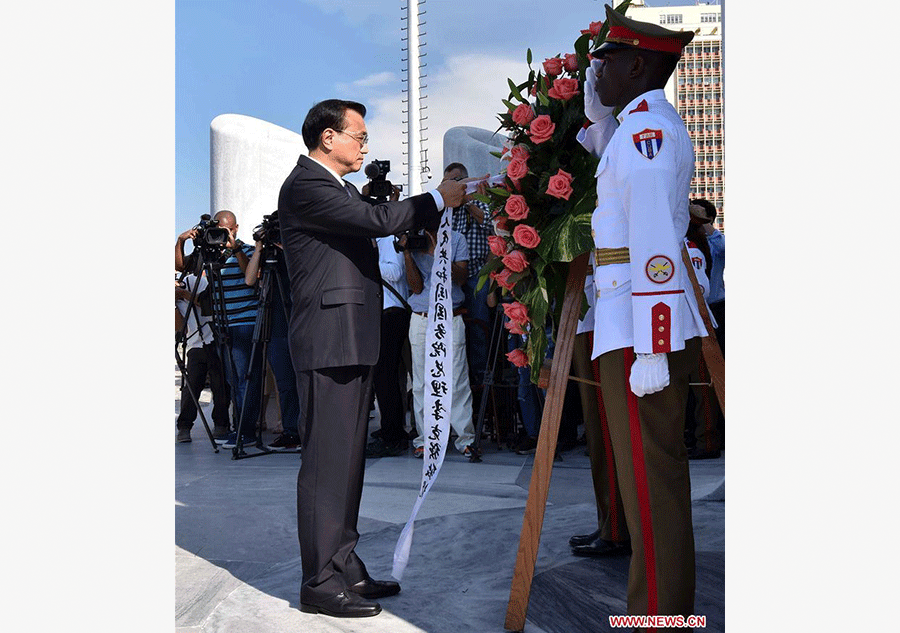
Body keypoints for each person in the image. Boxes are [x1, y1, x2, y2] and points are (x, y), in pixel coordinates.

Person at [277, 99, 468, 618]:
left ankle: (343, 562)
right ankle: (320, 580)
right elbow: (376, 219)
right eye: (358, 135)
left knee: (348, 460)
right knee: (326, 464)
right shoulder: (306, 186)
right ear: (327, 139)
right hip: (328, 339)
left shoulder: (333, 187)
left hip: (349, 337)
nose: (365, 144)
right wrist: (436, 198)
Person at [577, 5, 706, 625]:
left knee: (651, 487)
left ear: (635, 64)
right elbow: (599, 138)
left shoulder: (645, 136)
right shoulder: (635, 127)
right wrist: (593, 107)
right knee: (648, 480)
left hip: (640, 332)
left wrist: (652, 347)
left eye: (602, 64)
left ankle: (660, 615)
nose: (592, 75)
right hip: (632, 323)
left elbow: (655, 248)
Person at [568, 261, 630, 556]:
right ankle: (608, 520)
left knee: (605, 429)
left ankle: (616, 527)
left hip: (602, 316)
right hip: (587, 315)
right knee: (596, 431)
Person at [404, 222, 478, 458]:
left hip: (450, 315)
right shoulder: (414, 242)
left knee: (457, 379)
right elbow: (415, 288)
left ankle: (465, 439)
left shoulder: (456, 239)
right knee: (422, 383)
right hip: (421, 316)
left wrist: (439, 255)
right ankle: (425, 440)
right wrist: (407, 252)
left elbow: (462, 279)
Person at [242, 226, 303, 451]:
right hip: (276, 324)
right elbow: (249, 280)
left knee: (303, 381)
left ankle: (308, 430)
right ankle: (290, 431)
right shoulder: (266, 256)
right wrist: (259, 249)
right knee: (285, 383)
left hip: (299, 323)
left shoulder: (299, 250)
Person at [445, 162, 495, 385]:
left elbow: (490, 225)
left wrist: (468, 202)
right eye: (448, 183)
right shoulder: (447, 208)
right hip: (453, 276)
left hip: (477, 273)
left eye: (456, 181)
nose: (453, 186)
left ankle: (480, 376)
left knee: (478, 325)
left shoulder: (481, 199)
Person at [366, 235, 412, 458]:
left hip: (392, 313)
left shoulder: (387, 240)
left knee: (386, 376)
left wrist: (369, 259)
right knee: (383, 376)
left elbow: (395, 273)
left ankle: (393, 435)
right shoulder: (376, 241)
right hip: (380, 314)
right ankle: (390, 429)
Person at [175, 273, 231, 442]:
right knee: (191, 386)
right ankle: (184, 426)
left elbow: (207, 304)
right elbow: (180, 329)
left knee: (220, 384)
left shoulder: (195, 280)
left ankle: (221, 424)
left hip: (214, 338)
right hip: (194, 343)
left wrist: (183, 294)